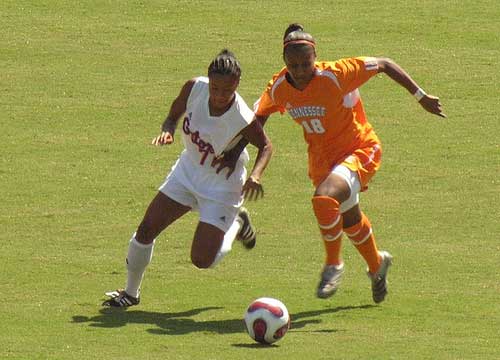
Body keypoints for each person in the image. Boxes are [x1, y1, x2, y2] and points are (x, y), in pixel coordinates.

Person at [251, 24, 446, 303]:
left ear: (315, 57)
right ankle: (377, 265)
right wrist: (240, 152)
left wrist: (420, 96)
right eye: (294, 65)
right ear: (285, 63)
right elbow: (259, 115)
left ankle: (333, 265)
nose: (301, 70)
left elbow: (384, 64)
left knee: (324, 198)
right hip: (322, 161)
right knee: (349, 219)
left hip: (359, 149)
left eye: (306, 63)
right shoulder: (280, 87)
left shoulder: (337, 74)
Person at [103, 49, 273, 307]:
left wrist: (256, 176)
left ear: (236, 86)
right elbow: (173, 116)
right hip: (187, 171)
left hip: (222, 186)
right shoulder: (195, 88)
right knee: (146, 229)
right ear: (208, 80)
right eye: (215, 88)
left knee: (201, 260)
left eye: (226, 91)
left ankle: (237, 224)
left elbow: (266, 146)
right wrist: (167, 131)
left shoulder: (242, 116)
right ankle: (130, 293)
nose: (218, 96)